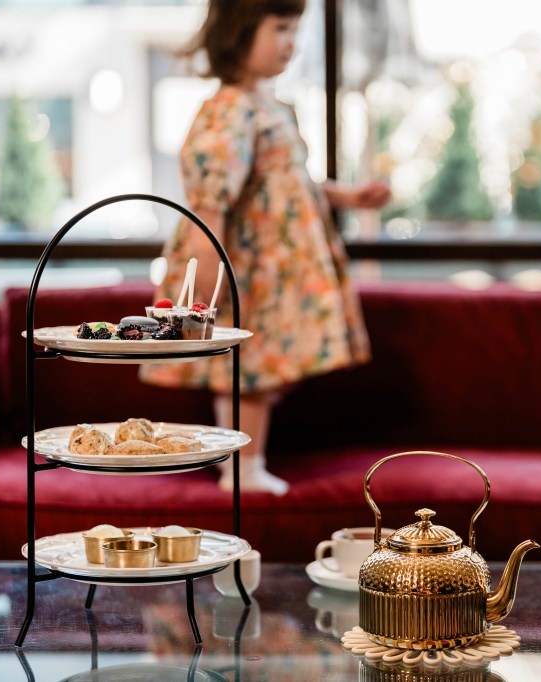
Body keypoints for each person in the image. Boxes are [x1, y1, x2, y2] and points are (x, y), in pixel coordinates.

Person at [141, 0, 390, 495]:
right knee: (246, 368)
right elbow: (211, 202)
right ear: (239, 32)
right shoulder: (229, 110)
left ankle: (246, 460)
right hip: (246, 270)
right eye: (279, 28)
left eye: (295, 29)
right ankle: (241, 465)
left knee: (263, 366)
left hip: (275, 274)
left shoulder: (269, 105)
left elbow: (289, 180)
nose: (290, 42)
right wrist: (205, 273)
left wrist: (346, 196)